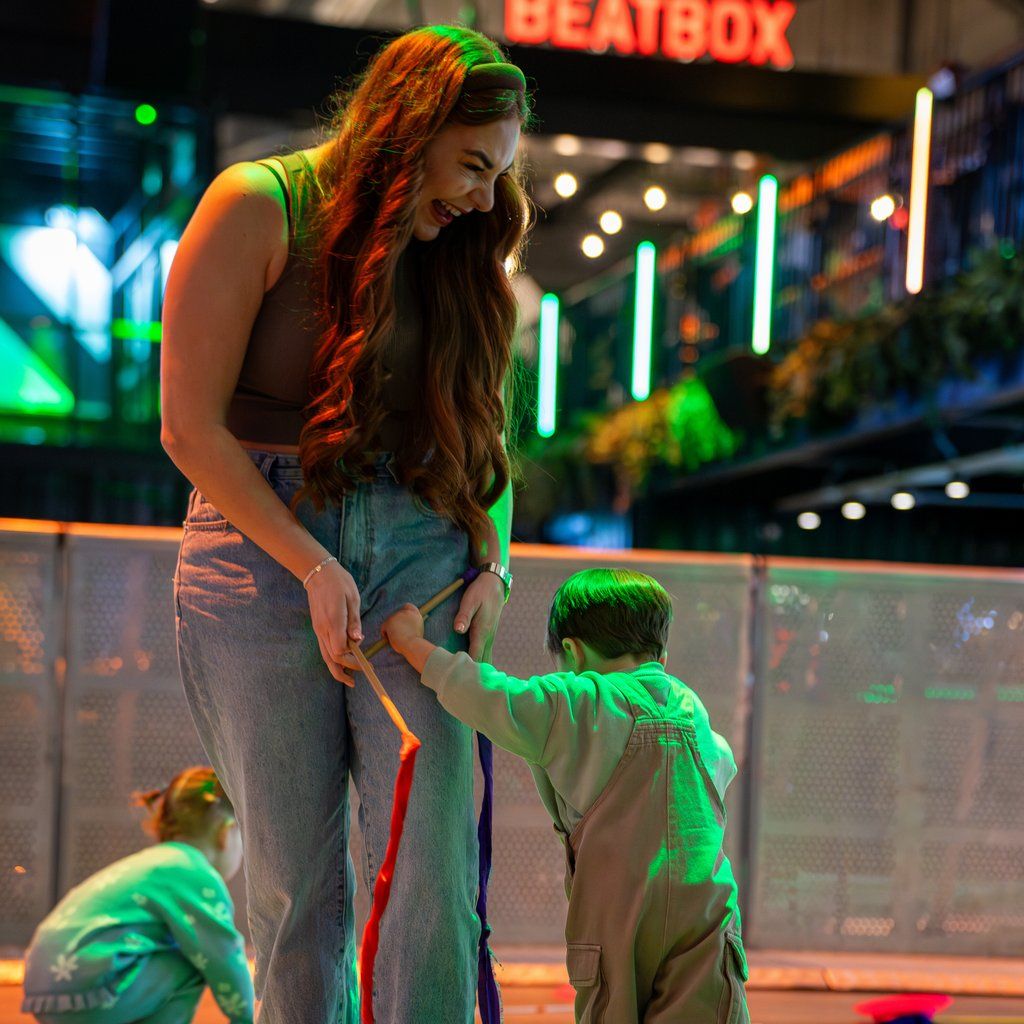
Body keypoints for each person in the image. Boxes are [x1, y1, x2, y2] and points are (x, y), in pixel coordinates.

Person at [160, 23, 532, 1024]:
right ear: (408, 129)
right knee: (295, 889)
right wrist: (313, 565)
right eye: (471, 165)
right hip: (258, 548)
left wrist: (496, 561)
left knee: (433, 879)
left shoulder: (461, 250)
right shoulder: (256, 204)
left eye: (498, 175)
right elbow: (188, 428)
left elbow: (486, 437)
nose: (484, 198)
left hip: (424, 546)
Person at [381, 567, 750, 1024]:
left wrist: (410, 643)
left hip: (617, 921)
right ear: (661, 653)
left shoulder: (576, 700)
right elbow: (723, 764)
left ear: (572, 652)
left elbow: (484, 692)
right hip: (706, 918)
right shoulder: (692, 709)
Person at [22, 767, 252, 1024]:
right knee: (197, 957)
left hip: (42, 987)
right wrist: (248, 1018)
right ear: (226, 833)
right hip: (91, 986)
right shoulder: (194, 870)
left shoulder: (153, 864)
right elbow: (223, 954)